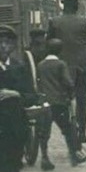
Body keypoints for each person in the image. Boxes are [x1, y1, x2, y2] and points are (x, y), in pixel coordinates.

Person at [46, 0, 86, 144]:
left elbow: (48, 45)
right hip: (83, 66)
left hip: (61, 68)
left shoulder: (54, 22)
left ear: (63, 5)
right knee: (82, 99)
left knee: (62, 100)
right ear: (77, 6)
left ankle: (69, 130)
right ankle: (83, 131)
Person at [36, 39, 86, 169]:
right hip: (59, 103)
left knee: (44, 133)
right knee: (68, 129)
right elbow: (68, 82)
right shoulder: (61, 64)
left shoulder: (40, 65)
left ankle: (45, 158)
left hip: (44, 103)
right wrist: (71, 94)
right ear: (60, 51)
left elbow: (38, 82)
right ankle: (74, 154)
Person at [0, 24, 34, 172]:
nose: (3, 46)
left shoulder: (20, 67)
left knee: (13, 165)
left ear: (13, 46)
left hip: (15, 128)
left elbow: (32, 97)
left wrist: (16, 94)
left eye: (7, 42)